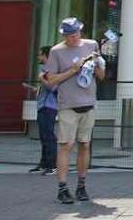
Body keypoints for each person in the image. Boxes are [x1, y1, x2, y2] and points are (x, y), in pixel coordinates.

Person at [43, 17, 104, 204]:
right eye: (69, 35)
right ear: (64, 35)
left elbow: (101, 76)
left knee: (85, 144)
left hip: (88, 103)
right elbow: (50, 80)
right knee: (66, 145)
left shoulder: (91, 45)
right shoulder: (56, 51)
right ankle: (62, 188)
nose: (73, 38)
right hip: (67, 105)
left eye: (76, 33)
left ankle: (81, 186)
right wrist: (73, 70)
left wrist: (94, 67)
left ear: (81, 31)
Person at [29, 47, 58, 175]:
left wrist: (42, 79)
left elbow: (54, 87)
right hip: (42, 106)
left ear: (46, 55)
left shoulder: (52, 69)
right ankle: (44, 163)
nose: (38, 57)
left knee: (49, 136)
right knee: (43, 136)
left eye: (40, 55)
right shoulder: (45, 69)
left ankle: (52, 165)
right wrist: (38, 89)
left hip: (49, 107)